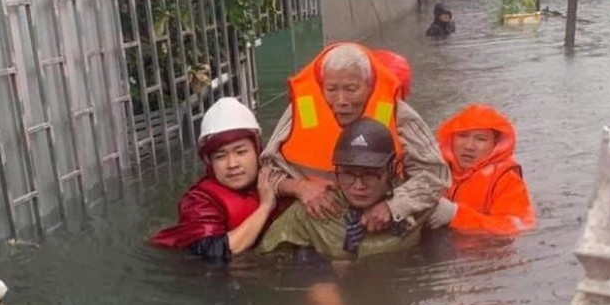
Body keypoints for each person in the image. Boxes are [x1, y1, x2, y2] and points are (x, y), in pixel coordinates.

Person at [260, 42, 449, 233]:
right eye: (332, 90)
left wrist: (395, 205)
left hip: (381, 208)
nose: (341, 101)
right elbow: (266, 169)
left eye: (351, 89)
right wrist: (299, 187)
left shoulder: (397, 112)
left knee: (446, 211)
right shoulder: (301, 111)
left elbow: (436, 175)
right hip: (318, 214)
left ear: (369, 86)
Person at [259, 118, 431, 261]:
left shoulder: (418, 205)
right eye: (347, 174)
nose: (358, 185)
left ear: (391, 169)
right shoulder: (313, 211)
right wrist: (314, 271)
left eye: (370, 175)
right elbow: (266, 263)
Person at [150, 97, 280, 263]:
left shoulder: (272, 177)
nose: (232, 164)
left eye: (241, 152)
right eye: (220, 156)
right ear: (209, 162)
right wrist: (265, 207)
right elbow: (214, 253)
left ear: (257, 151)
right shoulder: (197, 202)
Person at [428, 104, 536, 235]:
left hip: (480, 251)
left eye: (481, 139)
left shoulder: (507, 180)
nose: (469, 146)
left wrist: (456, 216)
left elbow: (518, 226)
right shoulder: (432, 167)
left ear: (495, 145)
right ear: (451, 138)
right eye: (462, 135)